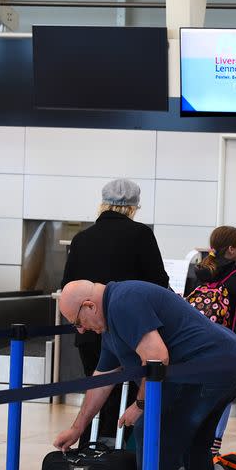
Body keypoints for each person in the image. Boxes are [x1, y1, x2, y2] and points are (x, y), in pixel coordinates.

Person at [54, 280, 236, 470]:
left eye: (77, 321)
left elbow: (157, 357)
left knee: (152, 432)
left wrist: (140, 405)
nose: (80, 330)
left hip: (205, 369)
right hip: (227, 362)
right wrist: (77, 428)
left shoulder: (123, 303)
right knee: (197, 441)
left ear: (89, 306)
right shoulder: (112, 321)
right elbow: (101, 379)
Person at [60, 178, 169, 445]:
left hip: (89, 334)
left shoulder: (81, 239)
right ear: (134, 206)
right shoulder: (141, 234)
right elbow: (158, 283)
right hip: (132, 332)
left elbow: (66, 286)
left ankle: (92, 455)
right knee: (134, 399)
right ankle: (127, 460)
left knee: (97, 395)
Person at [189, 225, 236, 454]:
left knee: (199, 393)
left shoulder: (199, 273)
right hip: (229, 346)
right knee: (224, 395)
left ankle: (195, 439)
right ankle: (214, 443)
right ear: (231, 249)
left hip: (198, 345)